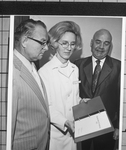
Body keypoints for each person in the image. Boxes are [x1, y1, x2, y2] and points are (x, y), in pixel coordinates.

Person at [38, 21, 83, 150]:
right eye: (64, 43)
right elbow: (47, 107)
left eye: (72, 44)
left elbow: (74, 98)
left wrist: (82, 102)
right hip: (56, 135)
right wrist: (65, 122)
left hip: (74, 132)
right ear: (55, 43)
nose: (69, 48)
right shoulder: (44, 72)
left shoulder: (75, 69)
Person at [74, 29, 121, 150]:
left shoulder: (119, 67)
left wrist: (118, 126)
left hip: (108, 128)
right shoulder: (77, 65)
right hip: (83, 126)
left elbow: (121, 98)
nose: (101, 47)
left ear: (110, 46)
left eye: (106, 43)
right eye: (98, 42)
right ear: (91, 43)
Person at [12, 19, 50, 150]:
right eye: (43, 42)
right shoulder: (12, 72)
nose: (46, 48)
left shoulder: (31, 66)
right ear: (24, 41)